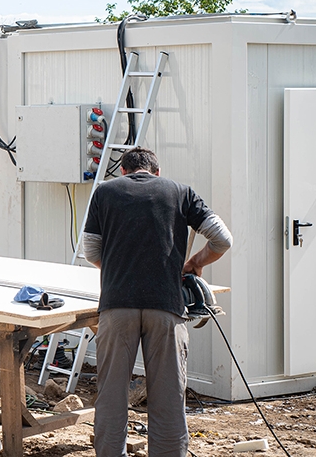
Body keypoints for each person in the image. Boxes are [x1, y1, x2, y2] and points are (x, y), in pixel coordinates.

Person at [81, 147, 232, 457]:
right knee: (168, 398)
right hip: (166, 307)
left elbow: (91, 251)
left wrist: (117, 269)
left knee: (111, 395)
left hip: (116, 306)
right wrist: (194, 262)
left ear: (123, 171)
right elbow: (222, 239)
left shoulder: (104, 192)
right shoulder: (180, 192)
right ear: (156, 172)